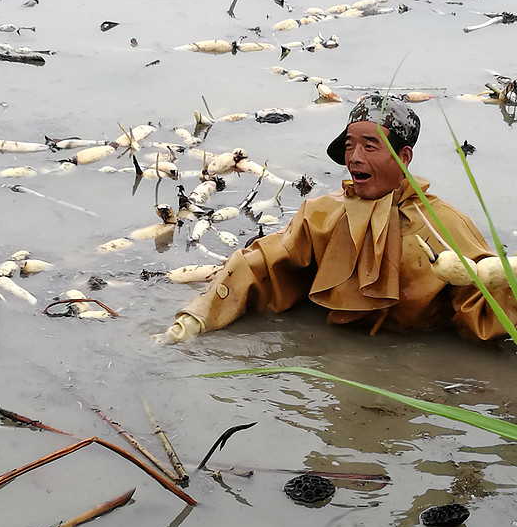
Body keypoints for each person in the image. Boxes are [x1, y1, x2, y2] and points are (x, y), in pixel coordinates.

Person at [153, 94, 517, 345]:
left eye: (370, 146)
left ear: (404, 156)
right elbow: (261, 265)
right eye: (348, 146)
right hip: (331, 355)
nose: (354, 158)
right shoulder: (323, 213)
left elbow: (483, 308)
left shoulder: (445, 225)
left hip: (410, 360)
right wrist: (195, 318)